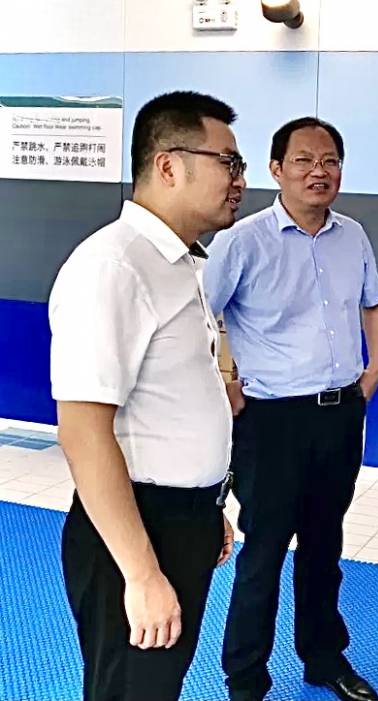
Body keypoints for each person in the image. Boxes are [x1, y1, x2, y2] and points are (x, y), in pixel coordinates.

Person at [49, 90, 245, 701]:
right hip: (136, 530)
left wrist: (204, 507)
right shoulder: (114, 266)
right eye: (228, 162)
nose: (239, 180)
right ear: (168, 165)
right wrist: (141, 573)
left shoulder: (178, 263)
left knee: (157, 686)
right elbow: (83, 431)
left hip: (179, 519)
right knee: (130, 690)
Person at [204, 117, 378, 701]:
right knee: (262, 554)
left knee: (325, 546)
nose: (319, 171)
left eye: (330, 160)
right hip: (272, 422)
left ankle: (324, 658)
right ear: (277, 169)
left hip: (340, 415)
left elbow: (375, 303)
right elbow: (197, 317)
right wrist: (225, 378)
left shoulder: (353, 236)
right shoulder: (242, 240)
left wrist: (375, 367)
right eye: (304, 160)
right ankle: (245, 679)